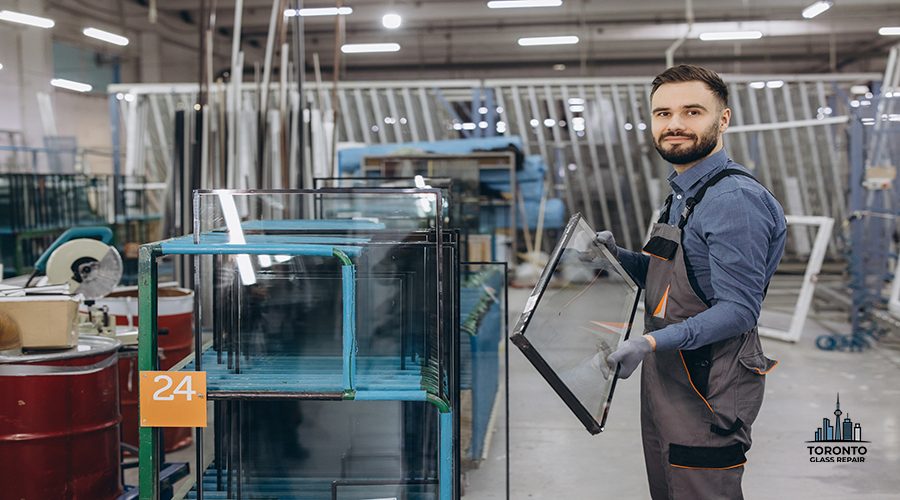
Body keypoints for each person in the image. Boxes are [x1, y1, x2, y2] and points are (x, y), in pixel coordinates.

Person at [596, 64, 787, 500]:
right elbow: (671, 280)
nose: (675, 125)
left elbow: (738, 310)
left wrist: (648, 343)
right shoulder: (684, 194)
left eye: (692, 112)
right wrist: (615, 257)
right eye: (662, 114)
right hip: (670, 376)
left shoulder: (732, 200)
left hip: (708, 385)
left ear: (722, 120)